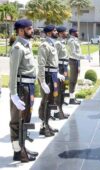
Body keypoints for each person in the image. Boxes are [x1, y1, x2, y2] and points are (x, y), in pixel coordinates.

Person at [9, 19, 38, 162]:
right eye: (29, 28)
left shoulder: (26, 46)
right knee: (17, 121)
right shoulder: (18, 48)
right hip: (21, 89)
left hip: (29, 87)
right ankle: (18, 151)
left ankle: (22, 148)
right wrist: (14, 94)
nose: (32, 30)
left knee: (25, 120)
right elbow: (13, 73)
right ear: (21, 31)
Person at [38, 25, 62, 137]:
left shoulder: (52, 44)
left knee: (51, 101)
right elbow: (41, 64)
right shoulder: (44, 45)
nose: (57, 32)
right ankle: (43, 126)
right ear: (48, 33)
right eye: (54, 30)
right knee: (46, 101)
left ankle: (47, 123)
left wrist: (57, 73)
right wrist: (42, 81)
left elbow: (53, 63)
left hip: (52, 74)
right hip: (47, 76)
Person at [67, 28, 92, 104]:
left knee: (75, 80)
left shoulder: (75, 40)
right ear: (72, 33)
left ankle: (73, 97)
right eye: (76, 31)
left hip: (77, 61)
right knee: (72, 80)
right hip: (73, 61)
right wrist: (84, 57)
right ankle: (71, 99)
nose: (78, 32)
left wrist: (79, 64)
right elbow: (73, 54)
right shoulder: (71, 41)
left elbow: (78, 53)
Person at [54, 26, 70, 119]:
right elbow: (55, 58)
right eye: (64, 32)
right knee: (59, 90)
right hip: (60, 67)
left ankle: (60, 110)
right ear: (60, 33)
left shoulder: (63, 43)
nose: (66, 33)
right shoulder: (58, 44)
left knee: (63, 90)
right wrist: (57, 71)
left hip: (64, 67)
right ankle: (58, 111)